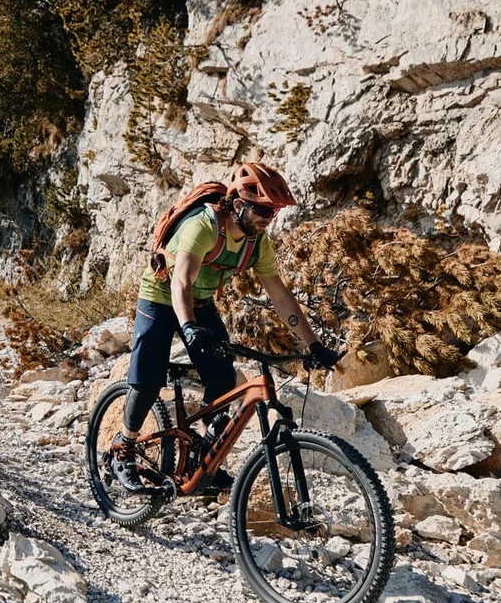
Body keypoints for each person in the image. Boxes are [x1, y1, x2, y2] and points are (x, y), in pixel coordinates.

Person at [109, 162, 340, 491]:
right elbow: (181, 282)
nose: (267, 217)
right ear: (238, 203)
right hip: (160, 296)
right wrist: (188, 327)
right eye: (261, 208)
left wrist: (313, 345)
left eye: (272, 211)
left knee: (222, 379)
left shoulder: (257, 243)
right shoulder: (203, 226)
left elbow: (280, 296)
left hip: (201, 302)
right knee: (148, 380)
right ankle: (124, 448)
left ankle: (202, 460)